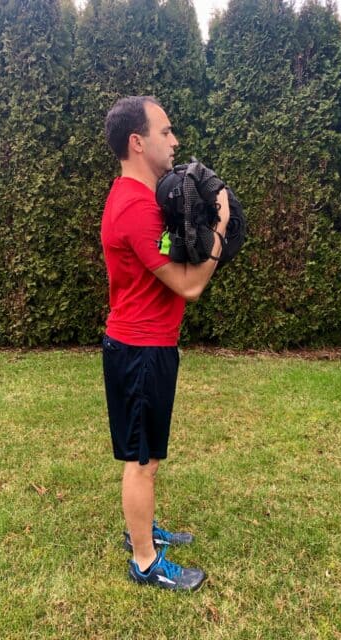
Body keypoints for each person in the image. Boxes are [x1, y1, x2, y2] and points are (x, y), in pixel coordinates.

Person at [101, 95, 230, 591]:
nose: (175, 142)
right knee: (141, 462)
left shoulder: (144, 199)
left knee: (149, 455)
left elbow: (175, 254)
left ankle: (143, 530)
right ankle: (144, 561)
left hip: (149, 345)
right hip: (138, 351)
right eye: (166, 132)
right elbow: (189, 285)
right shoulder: (134, 209)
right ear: (137, 142)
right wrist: (218, 223)